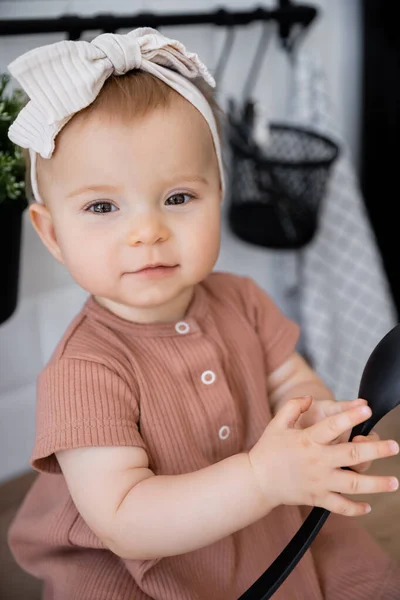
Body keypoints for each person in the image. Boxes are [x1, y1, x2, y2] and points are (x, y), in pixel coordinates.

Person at [6, 28, 400, 600]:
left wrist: (316, 422)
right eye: (102, 206)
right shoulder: (83, 371)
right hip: (143, 564)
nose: (147, 231)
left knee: (361, 576)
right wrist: (262, 478)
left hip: (262, 516)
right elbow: (125, 520)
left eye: (178, 198)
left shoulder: (240, 297)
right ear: (52, 234)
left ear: (219, 193)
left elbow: (287, 377)